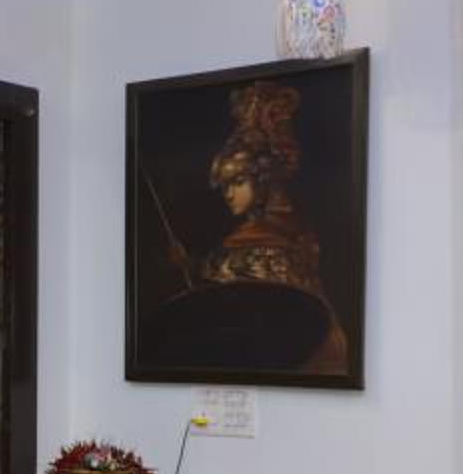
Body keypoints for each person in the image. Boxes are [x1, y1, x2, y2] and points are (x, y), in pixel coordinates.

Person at [142, 79, 351, 377]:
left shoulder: (279, 234)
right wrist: (189, 265)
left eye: (238, 182)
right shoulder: (245, 236)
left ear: (262, 178)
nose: (229, 194)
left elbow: (266, 304)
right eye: (225, 186)